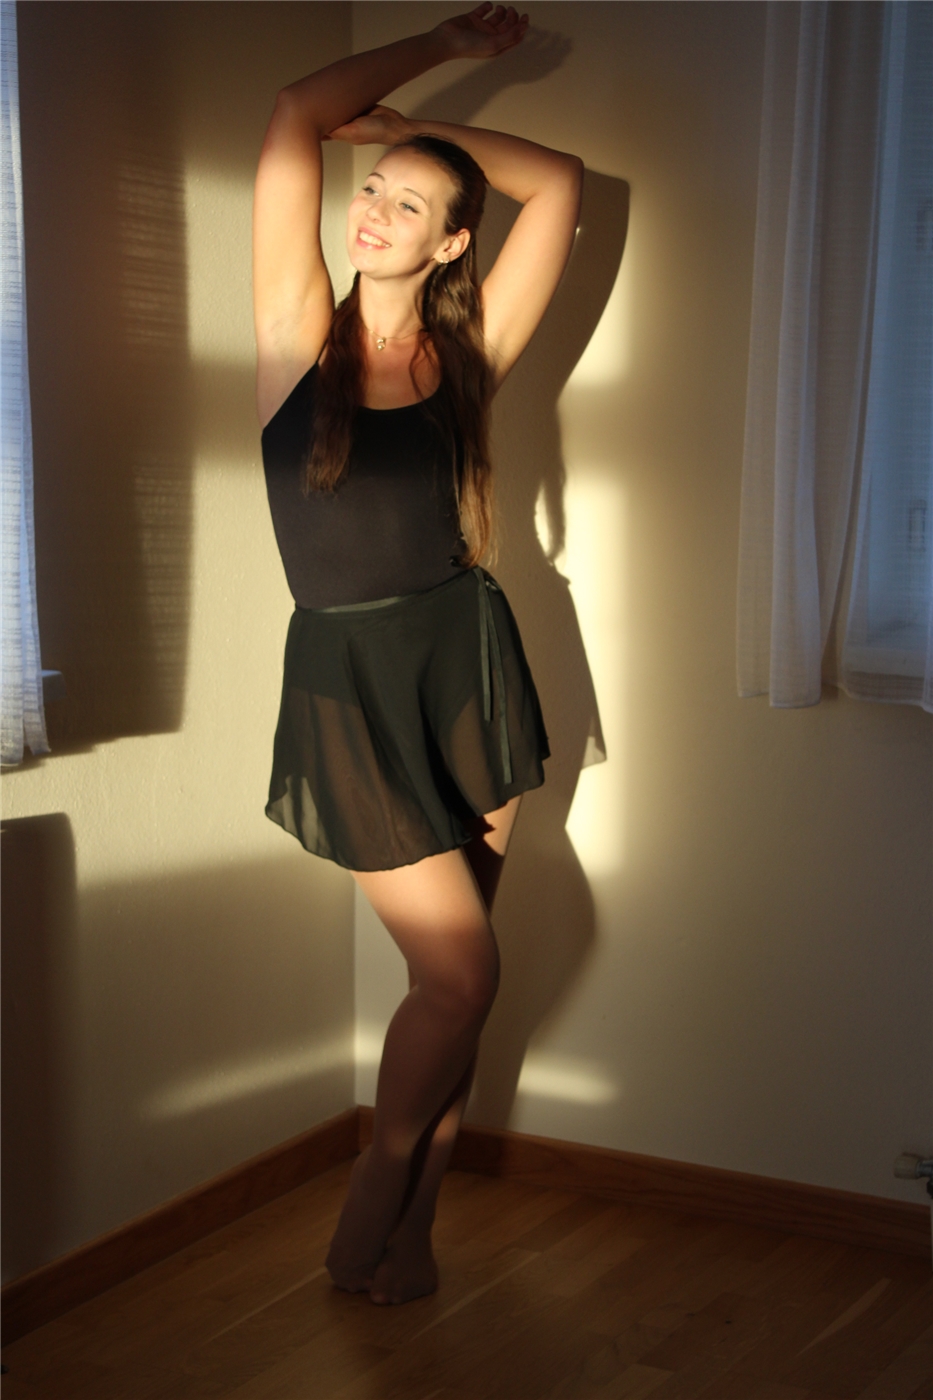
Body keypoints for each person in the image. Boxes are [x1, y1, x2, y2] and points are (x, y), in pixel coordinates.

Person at [253, 2, 582, 1305]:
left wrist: (420, 131)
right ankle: (372, 1201)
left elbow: (555, 184)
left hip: (464, 660)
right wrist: (442, 46)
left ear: (451, 241)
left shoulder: (466, 352)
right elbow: (294, 112)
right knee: (460, 973)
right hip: (349, 682)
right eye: (370, 190)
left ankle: (410, 1234)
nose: (374, 211)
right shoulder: (298, 335)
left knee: (458, 988)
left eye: (407, 202)